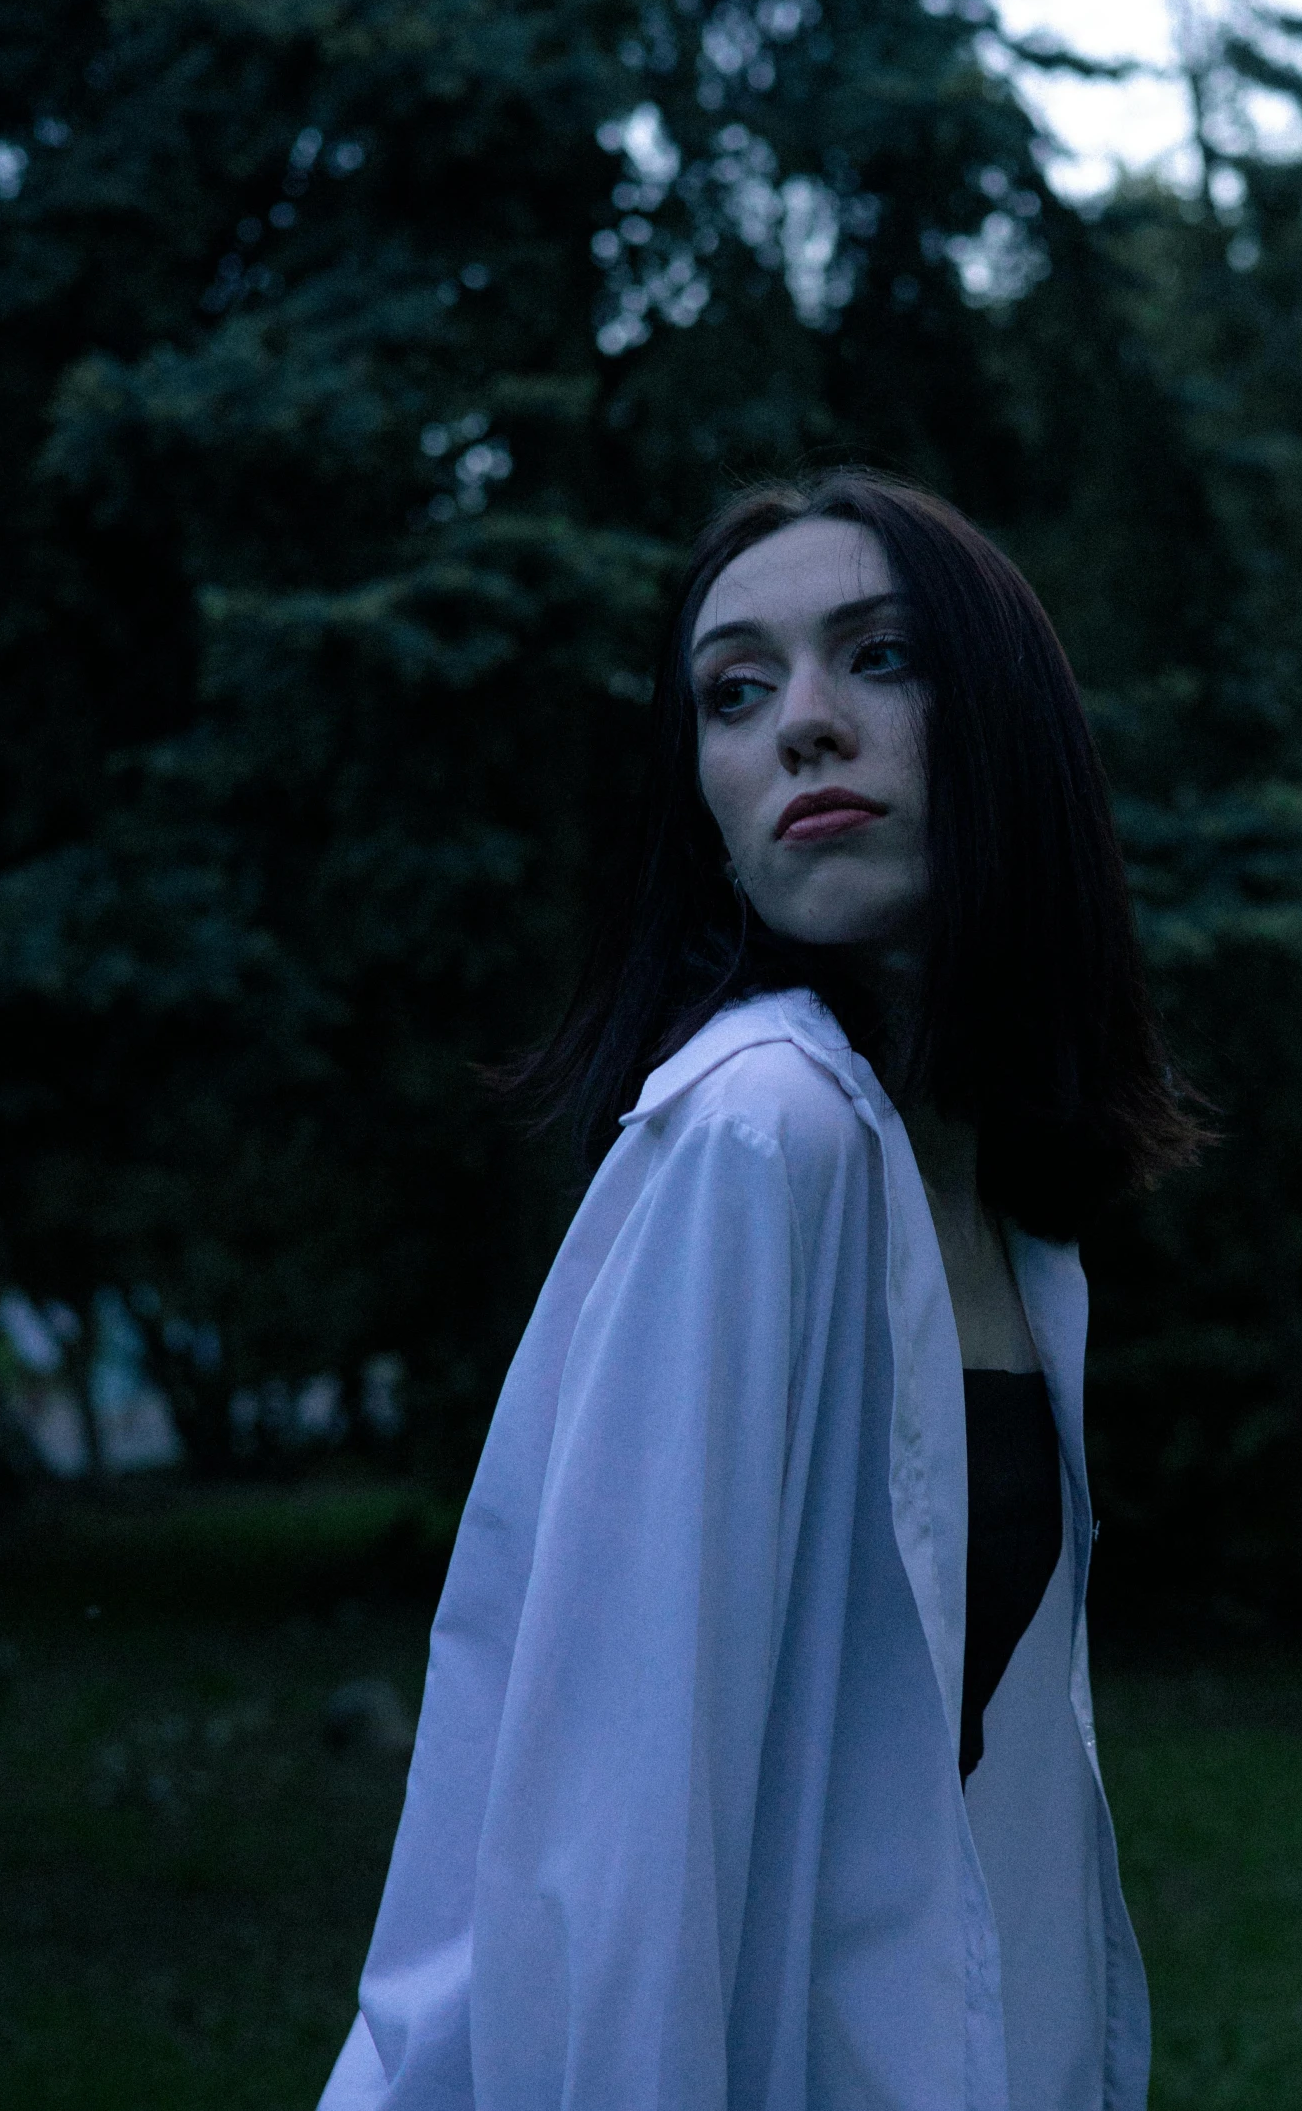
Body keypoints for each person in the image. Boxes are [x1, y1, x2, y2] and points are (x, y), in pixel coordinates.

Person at [318, 469, 1201, 2111]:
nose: (803, 724)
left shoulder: (1016, 1212)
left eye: (879, 658)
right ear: (706, 802)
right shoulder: (756, 1133)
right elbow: (613, 1846)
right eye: (735, 689)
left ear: (1009, 729)